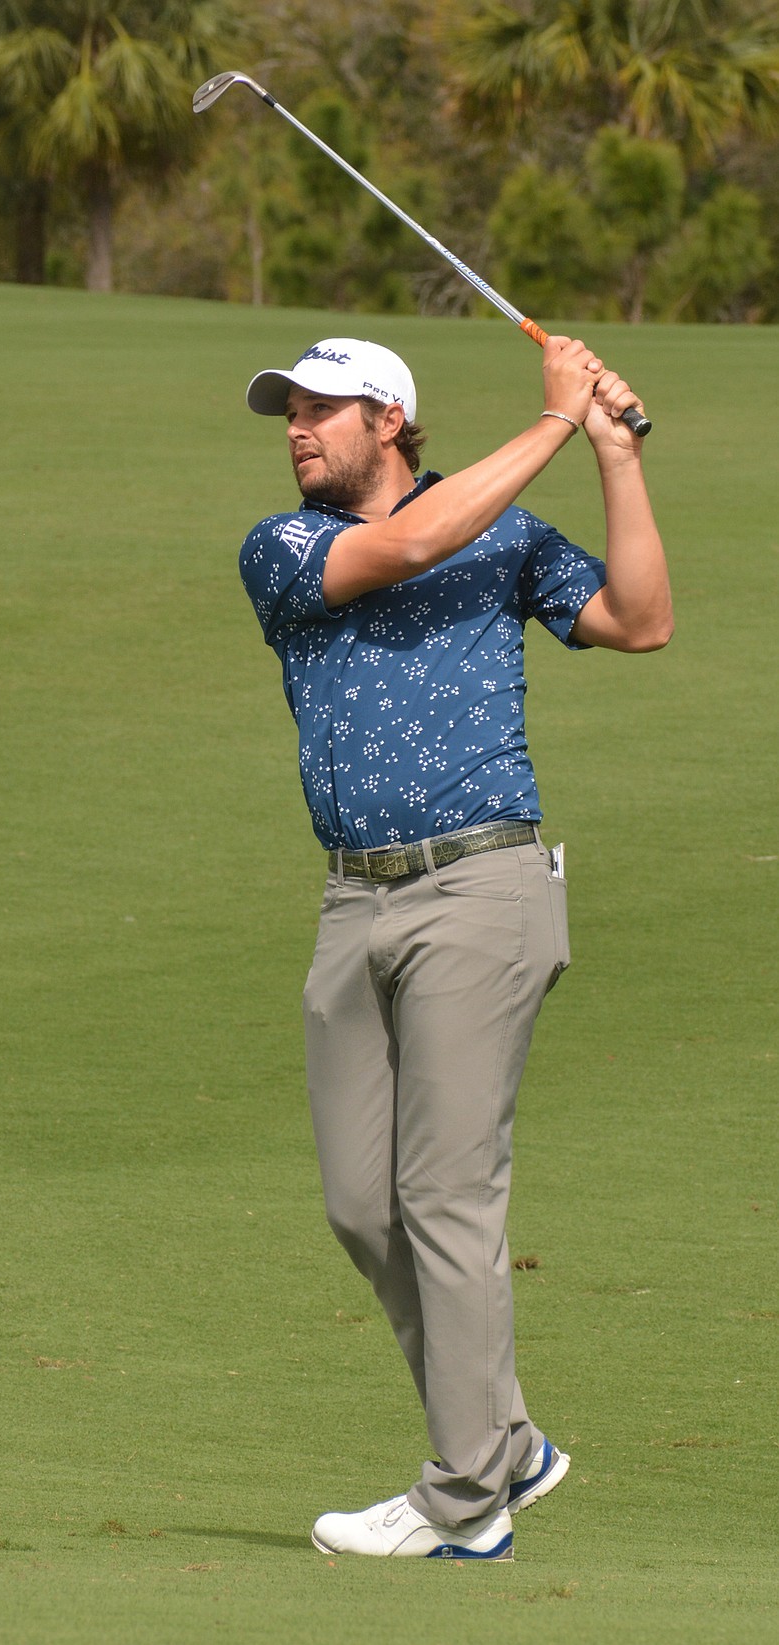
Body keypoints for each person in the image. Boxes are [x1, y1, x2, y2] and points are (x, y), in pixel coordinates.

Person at [239, 334, 673, 1560]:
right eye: (290, 412)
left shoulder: (508, 533)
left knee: (443, 1193)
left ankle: (466, 1498)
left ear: (390, 420)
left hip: (481, 883)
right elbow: (413, 545)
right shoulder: (286, 547)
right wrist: (550, 421)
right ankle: (509, 1448)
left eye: (322, 409)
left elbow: (640, 622)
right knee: (360, 1206)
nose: (296, 429)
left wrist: (607, 450)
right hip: (351, 902)